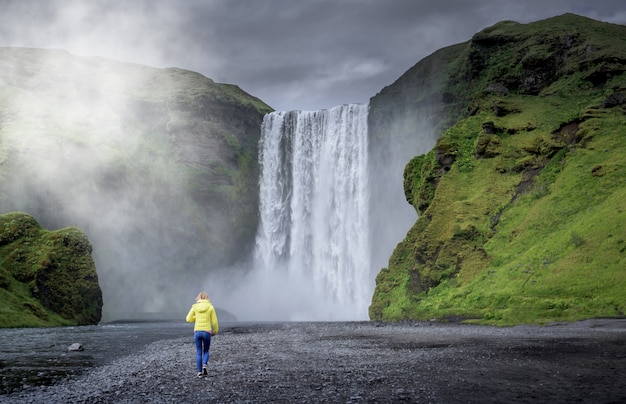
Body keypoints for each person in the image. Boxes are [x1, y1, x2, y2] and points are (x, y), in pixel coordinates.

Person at [185, 291, 219, 377]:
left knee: (199, 352)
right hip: (207, 331)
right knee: (206, 350)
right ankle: (204, 365)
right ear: (207, 298)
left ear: (198, 298)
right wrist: (215, 331)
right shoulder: (210, 307)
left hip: (197, 332)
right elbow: (214, 322)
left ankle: (199, 372)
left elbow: (188, 319)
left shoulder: (194, 307)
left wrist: (196, 317)